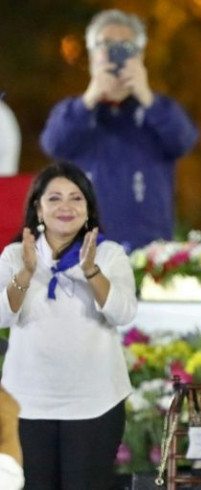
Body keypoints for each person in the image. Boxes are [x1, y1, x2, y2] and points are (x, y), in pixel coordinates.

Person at [0, 162, 137, 489]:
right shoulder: (15, 255)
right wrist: (27, 273)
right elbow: (3, 316)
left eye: (76, 198)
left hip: (96, 403)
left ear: (88, 209)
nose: (66, 206)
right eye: (55, 198)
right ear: (38, 207)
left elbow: (123, 313)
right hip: (27, 405)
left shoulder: (109, 254)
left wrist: (91, 271)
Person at [40, 9, 199, 252]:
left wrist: (146, 96)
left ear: (140, 55)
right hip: (84, 252)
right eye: (105, 45)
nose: (115, 55)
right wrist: (90, 99)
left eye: (125, 46)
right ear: (92, 56)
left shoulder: (157, 109)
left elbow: (184, 140)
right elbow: (54, 144)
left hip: (147, 254)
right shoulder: (75, 110)